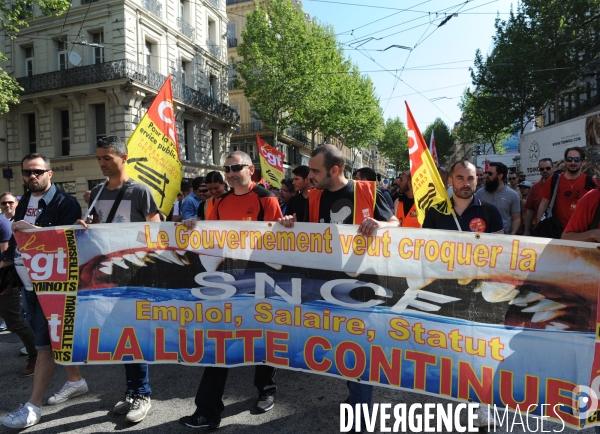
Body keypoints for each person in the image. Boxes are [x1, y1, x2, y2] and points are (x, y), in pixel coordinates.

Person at [278, 144, 399, 431]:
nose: (309, 176)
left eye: (315, 171)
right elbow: (306, 231)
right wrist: (289, 224)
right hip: (326, 286)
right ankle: (355, 395)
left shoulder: (370, 191)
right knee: (343, 345)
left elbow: (396, 223)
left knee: (359, 346)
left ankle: (362, 413)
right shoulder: (313, 196)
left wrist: (380, 224)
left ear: (335, 169)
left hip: (362, 286)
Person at [179, 151, 282, 429]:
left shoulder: (266, 198)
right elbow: (209, 238)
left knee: (262, 339)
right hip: (227, 283)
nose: (231, 172)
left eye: (236, 167)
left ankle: (265, 390)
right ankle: (207, 411)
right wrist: (193, 225)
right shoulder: (216, 201)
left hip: (261, 282)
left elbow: (283, 243)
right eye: (227, 168)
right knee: (219, 343)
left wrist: (286, 226)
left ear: (251, 169)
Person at [1, 154, 88, 429]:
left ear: (50, 173)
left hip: (51, 287)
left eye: (37, 171)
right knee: (54, 338)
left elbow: (70, 241)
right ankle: (76, 380)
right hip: (28, 283)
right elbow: (20, 239)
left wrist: (32, 230)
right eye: (27, 172)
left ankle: (32, 406)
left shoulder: (65, 202)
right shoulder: (25, 199)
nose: (32, 176)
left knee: (44, 345)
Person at [77, 136, 160, 423]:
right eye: (98, 158)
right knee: (122, 336)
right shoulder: (98, 192)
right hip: (109, 276)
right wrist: (85, 226)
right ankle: (132, 390)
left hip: (135, 275)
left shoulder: (139, 191)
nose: (101, 163)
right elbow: (99, 231)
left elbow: (157, 230)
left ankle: (143, 394)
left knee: (134, 333)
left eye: (107, 158)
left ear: (123, 157)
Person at [0, 191, 36, 377]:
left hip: (5, 280)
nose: (7, 206)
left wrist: (6, 281)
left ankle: (35, 355)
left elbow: (6, 258)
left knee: (15, 322)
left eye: (9, 203)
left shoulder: (4, 224)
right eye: (3, 203)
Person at [423, 160, 503, 233]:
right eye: (460, 178)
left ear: (476, 180)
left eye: (470, 178)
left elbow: (500, 246)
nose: (466, 184)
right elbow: (424, 245)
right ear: (450, 181)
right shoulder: (434, 212)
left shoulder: (491, 211)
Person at [536, 147, 596, 233]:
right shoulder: (554, 180)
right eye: (569, 159)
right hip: (556, 231)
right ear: (565, 161)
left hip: (582, 234)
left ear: (582, 162)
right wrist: (539, 228)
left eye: (577, 159)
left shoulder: (590, 182)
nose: (573, 162)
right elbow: (543, 205)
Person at [475, 162, 521, 234]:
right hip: (483, 237)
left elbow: (516, 219)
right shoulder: (479, 193)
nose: (486, 176)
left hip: (504, 237)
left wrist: (512, 235)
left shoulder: (513, 195)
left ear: (500, 175)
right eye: (486, 173)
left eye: (490, 174)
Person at [523, 158, 554, 236]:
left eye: (548, 168)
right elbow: (530, 211)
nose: (545, 170)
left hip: (558, 229)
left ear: (553, 168)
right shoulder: (535, 188)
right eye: (542, 169)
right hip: (541, 229)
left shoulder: (561, 184)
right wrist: (526, 230)